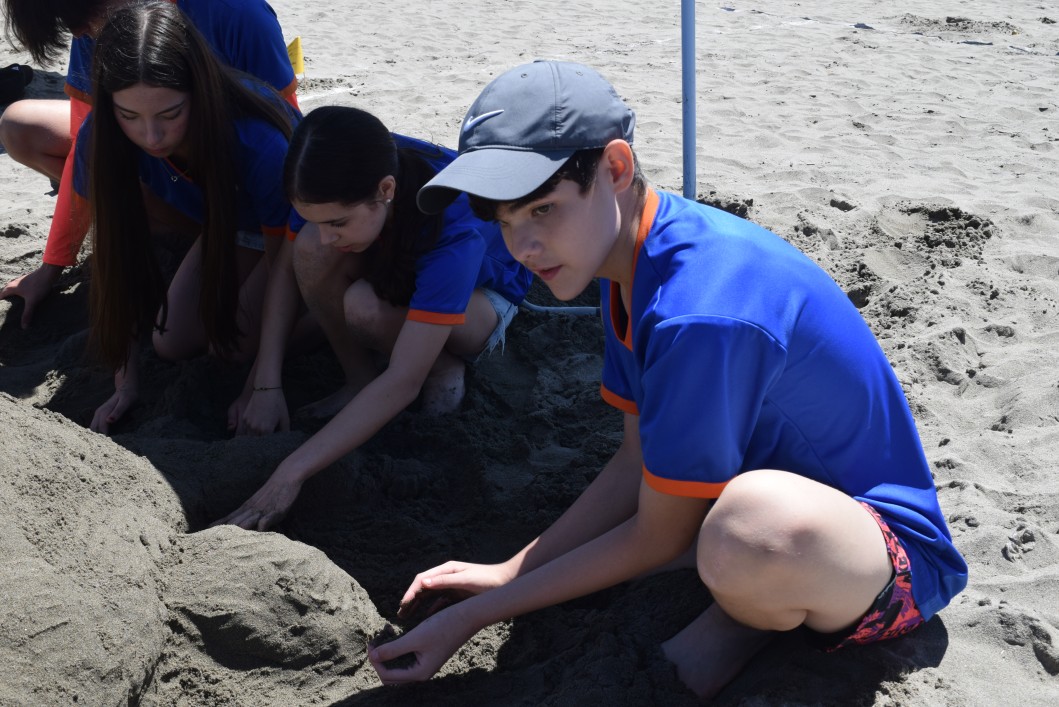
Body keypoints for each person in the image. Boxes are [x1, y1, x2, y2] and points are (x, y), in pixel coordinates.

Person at [366, 60, 969, 698]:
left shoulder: (696, 310)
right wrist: (510, 572)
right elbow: (636, 461)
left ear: (615, 168)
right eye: (505, 221)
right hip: (755, 508)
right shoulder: (629, 258)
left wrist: (476, 615)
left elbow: (660, 535)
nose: (523, 247)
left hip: (884, 562)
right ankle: (739, 596)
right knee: (723, 529)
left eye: (543, 208)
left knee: (748, 531)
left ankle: (744, 617)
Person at [212, 105, 532, 529]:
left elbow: (403, 380)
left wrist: (291, 471)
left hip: (483, 296)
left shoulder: (454, 228)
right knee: (310, 250)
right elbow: (285, 273)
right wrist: (263, 384)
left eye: (337, 223)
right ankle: (358, 378)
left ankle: (443, 368)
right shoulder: (326, 174)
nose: (326, 235)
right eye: (315, 220)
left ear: (385, 189)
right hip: (396, 255)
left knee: (365, 308)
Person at [0, 0, 298, 329]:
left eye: (81, 17)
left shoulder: (237, 13)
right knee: (20, 126)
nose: (79, 32)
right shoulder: (93, 28)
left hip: (241, 189)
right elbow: (88, 148)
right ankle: (182, 227)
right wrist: (52, 266)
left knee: (233, 330)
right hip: (180, 171)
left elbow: (284, 132)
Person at [78, 1, 300, 433]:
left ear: (198, 90)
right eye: (129, 116)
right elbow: (118, 258)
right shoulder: (100, 137)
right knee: (171, 343)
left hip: (302, 236)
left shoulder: (255, 138)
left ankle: (331, 316)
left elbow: (286, 265)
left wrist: (262, 384)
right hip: (234, 226)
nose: (151, 136)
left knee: (233, 349)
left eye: (170, 114)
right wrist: (125, 382)